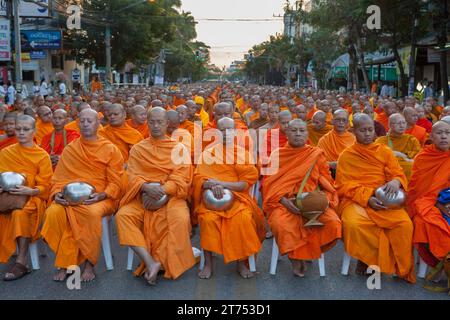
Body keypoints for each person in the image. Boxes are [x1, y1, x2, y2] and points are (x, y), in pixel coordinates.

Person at [41, 109, 125, 282]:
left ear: (98, 124)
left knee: (91, 213)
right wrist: (57, 194)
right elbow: (59, 178)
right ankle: (65, 262)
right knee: (53, 212)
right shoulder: (71, 149)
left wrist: (102, 195)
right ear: (78, 124)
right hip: (70, 197)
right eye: (82, 121)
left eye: (90, 121)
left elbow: (116, 182)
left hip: (100, 198)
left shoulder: (110, 149)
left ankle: (89, 264)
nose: (85, 124)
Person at [116, 107, 195, 285]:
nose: (156, 126)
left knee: (180, 218)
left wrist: (162, 190)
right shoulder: (138, 149)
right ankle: (150, 262)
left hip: (171, 197)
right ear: (147, 123)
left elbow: (182, 177)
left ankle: (167, 261)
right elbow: (132, 176)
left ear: (167, 123)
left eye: (160, 122)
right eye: (152, 122)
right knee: (123, 216)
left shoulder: (178, 148)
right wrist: (145, 187)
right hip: (143, 196)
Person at [335, 113, 415, 283]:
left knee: (404, 224)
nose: (367, 134)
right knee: (355, 224)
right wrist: (368, 198)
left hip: (384, 198)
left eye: (370, 130)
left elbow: (398, 173)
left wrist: (395, 181)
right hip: (357, 200)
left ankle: (400, 268)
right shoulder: (347, 156)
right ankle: (367, 260)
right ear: (354, 132)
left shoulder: (384, 151)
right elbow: (343, 186)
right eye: (363, 130)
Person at [262, 119, 341, 277]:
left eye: (302, 131)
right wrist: (283, 200)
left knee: (333, 223)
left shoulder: (315, 154)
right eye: (294, 130)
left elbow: (326, 181)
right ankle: (296, 259)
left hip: (310, 200)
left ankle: (310, 250)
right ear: (287, 133)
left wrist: (322, 200)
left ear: (307, 133)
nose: (298, 134)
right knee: (282, 225)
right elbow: (268, 184)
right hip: (283, 202)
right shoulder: (278, 155)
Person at [193, 117, 266, 279]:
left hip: (238, 199)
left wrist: (221, 184)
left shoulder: (243, 154)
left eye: (229, 129)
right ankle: (208, 264)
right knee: (208, 219)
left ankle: (241, 262)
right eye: (222, 130)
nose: (226, 133)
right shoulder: (209, 153)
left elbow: (244, 185)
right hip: (212, 199)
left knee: (243, 218)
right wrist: (211, 185)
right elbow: (199, 180)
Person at [0, 115, 53, 280]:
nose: (21, 133)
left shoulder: (42, 155)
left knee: (20, 213)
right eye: (18, 129)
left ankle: (22, 262)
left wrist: (31, 191)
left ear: (34, 131)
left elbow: (46, 185)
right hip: (8, 195)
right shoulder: (6, 152)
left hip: (33, 198)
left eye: (26, 129)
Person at [407, 120, 450, 287]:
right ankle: (443, 263)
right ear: (431, 136)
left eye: (447, 133)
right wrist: (438, 205)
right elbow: (418, 191)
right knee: (425, 223)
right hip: (426, 205)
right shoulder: (423, 158)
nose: (444, 136)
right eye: (439, 133)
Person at [375, 113, 421, 180]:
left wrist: (401, 155)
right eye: (398, 123)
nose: (402, 126)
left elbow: (418, 155)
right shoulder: (381, 140)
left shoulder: (411, 139)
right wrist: (400, 156)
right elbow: (378, 156)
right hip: (390, 172)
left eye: (403, 123)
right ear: (390, 125)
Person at [317, 109, 355, 174]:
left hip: (350, 172)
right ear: (332, 121)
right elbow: (318, 161)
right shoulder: (324, 140)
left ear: (348, 123)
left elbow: (358, 159)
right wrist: (331, 164)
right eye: (338, 120)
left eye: (344, 120)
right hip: (331, 173)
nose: (341, 122)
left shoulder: (353, 139)